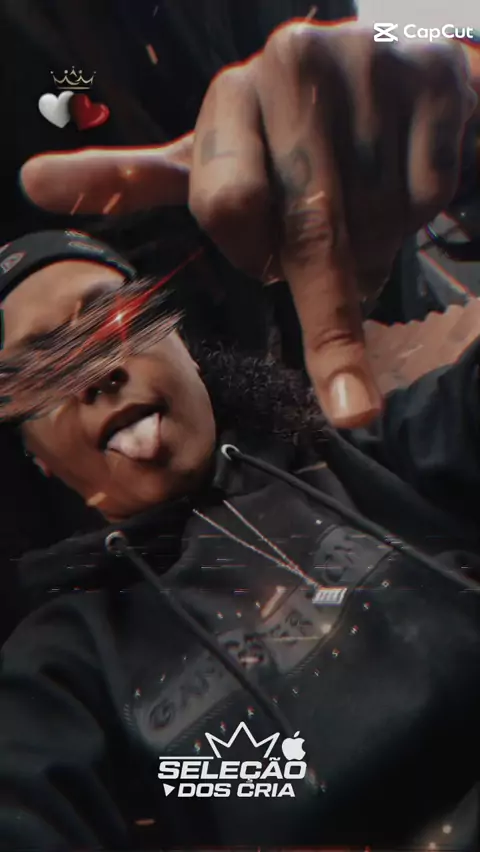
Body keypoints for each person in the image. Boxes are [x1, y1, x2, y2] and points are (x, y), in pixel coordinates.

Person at [1, 23, 480, 851]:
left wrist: (467, 153)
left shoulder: (371, 456)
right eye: (42, 373)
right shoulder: (64, 672)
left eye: (113, 324)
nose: (95, 374)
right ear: (37, 460)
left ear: (188, 349)